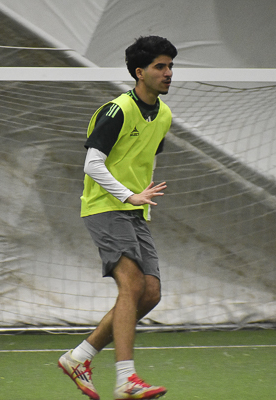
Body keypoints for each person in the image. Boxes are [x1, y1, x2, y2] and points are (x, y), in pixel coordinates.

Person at [58, 36, 177, 400]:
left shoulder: (164, 115)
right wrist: (128, 194)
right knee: (132, 285)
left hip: (134, 210)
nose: (168, 73)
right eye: (160, 66)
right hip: (105, 206)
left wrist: (139, 199)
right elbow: (92, 164)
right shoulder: (117, 110)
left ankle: (79, 357)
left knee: (150, 293)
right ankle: (126, 380)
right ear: (140, 72)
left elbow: (142, 157)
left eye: (170, 66)